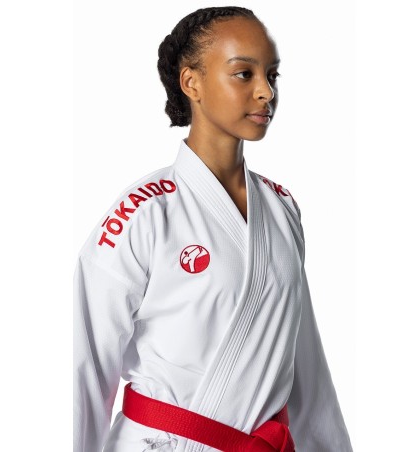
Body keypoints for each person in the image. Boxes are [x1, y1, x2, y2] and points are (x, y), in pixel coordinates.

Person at [74, 6, 353, 452]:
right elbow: (88, 365)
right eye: (244, 74)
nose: (265, 91)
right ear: (192, 83)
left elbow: (303, 363)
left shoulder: (282, 209)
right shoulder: (144, 212)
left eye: (272, 75)